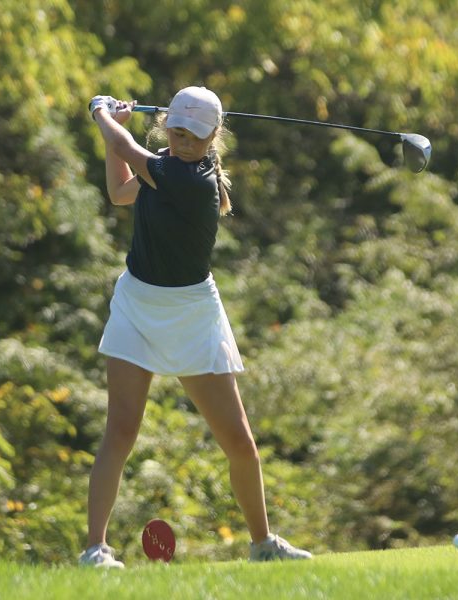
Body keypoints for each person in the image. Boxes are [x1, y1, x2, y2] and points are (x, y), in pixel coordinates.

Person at [78, 86, 312, 568]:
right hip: (137, 304)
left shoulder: (193, 179)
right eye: (177, 133)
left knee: (239, 441)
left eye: (194, 137)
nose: (184, 143)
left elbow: (126, 149)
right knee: (120, 429)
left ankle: (263, 544)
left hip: (192, 314)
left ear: (213, 137)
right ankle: (95, 549)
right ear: (167, 128)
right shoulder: (162, 163)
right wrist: (112, 135)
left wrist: (102, 114)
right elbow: (121, 191)